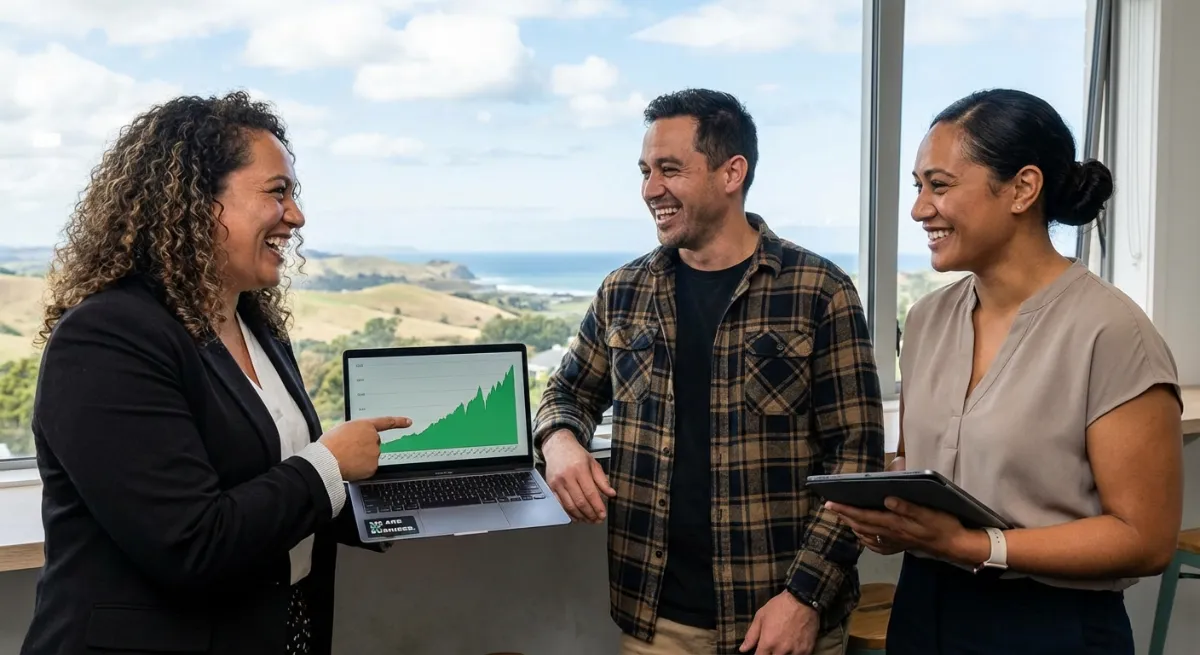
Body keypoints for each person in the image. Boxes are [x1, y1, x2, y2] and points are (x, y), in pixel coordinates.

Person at [20, 91, 411, 655]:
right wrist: (330, 462)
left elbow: (269, 482)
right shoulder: (109, 337)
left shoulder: (257, 327)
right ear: (196, 202)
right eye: (278, 193)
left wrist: (393, 508)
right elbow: (190, 543)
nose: (296, 217)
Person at [826, 88, 1184, 654]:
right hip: (924, 610)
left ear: (1023, 188)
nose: (920, 208)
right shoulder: (925, 320)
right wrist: (893, 514)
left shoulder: (1112, 333)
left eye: (939, 185)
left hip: (1050, 624)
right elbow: (931, 459)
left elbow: (1145, 539)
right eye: (917, 187)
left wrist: (974, 546)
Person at [534, 88, 885, 655]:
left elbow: (856, 464)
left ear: (732, 173)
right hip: (657, 621)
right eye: (645, 171)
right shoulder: (624, 291)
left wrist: (804, 598)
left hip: (781, 619)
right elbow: (567, 392)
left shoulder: (819, 291)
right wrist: (560, 442)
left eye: (669, 169)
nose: (650, 189)